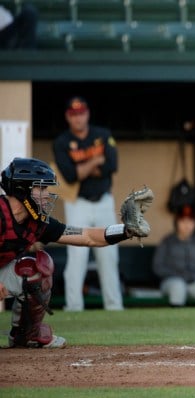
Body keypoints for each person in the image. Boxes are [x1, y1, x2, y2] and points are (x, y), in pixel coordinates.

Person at [0, 158, 149, 348]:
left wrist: (126, 230)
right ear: (22, 190)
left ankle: (26, 336)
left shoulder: (38, 223)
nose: (47, 195)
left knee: (34, 269)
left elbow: (87, 236)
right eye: (41, 188)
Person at [52, 96, 122, 312]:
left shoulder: (103, 134)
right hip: (77, 204)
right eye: (74, 115)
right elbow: (72, 176)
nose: (78, 118)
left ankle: (114, 306)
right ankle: (74, 307)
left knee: (109, 255)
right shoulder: (62, 142)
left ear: (87, 113)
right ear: (68, 117)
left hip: (103, 202)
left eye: (81, 113)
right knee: (77, 256)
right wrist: (94, 161)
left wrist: (84, 168)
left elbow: (111, 165)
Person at [152, 205, 195, 307]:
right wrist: (177, 274)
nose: (187, 225)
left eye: (190, 222)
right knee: (178, 286)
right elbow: (157, 266)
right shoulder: (167, 242)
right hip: (172, 280)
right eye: (183, 221)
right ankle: (176, 320)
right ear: (177, 222)